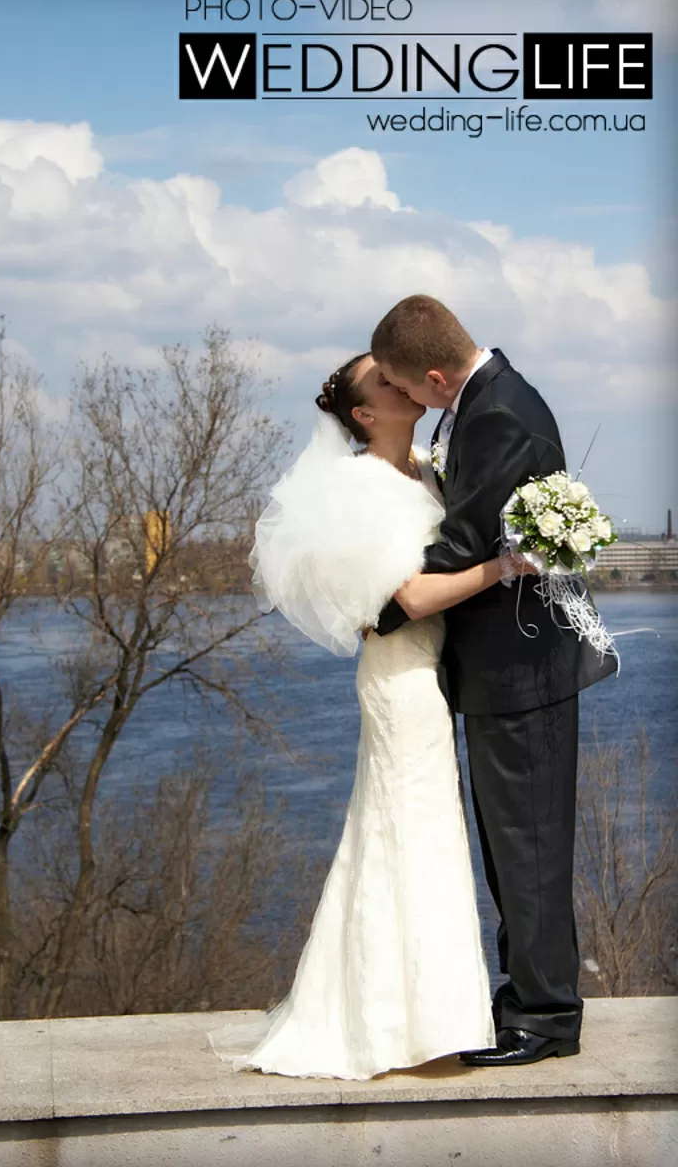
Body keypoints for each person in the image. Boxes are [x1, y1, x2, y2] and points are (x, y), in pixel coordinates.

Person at [208, 351, 531, 1081]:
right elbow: (407, 601)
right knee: (413, 833)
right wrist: (509, 566)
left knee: (407, 833)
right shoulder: (357, 486)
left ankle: (419, 1016)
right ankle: (406, 1025)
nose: (402, 380)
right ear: (363, 413)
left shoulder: (420, 468)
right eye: (384, 381)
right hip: (400, 676)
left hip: (432, 672)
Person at [371, 295, 617, 1067]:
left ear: (437, 375)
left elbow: (466, 542)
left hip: (522, 668)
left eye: (409, 389)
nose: (407, 401)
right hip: (503, 668)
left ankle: (546, 1017)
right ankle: (525, 1001)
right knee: (512, 844)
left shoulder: (499, 414)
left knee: (529, 843)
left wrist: (377, 603)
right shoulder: (480, 403)